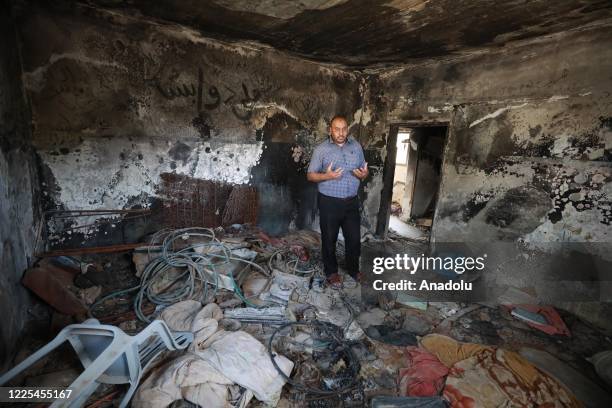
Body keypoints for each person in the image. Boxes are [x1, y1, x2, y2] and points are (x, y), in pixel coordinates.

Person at [307, 115, 368, 288]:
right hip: (329, 202)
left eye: (344, 129)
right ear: (330, 130)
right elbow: (310, 175)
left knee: (354, 239)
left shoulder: (356, 147)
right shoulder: (321, 150)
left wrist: (364, 175)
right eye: (336, 129)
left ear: (348, 129)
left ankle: (353, 270)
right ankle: (331, 272)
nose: (341, 133)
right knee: (329, 239)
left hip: (351, 202)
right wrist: (327, 176)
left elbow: (364, 171)